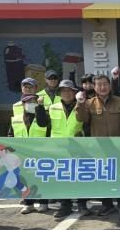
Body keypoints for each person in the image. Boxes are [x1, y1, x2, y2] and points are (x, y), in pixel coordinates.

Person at [76, 73, 120, 216]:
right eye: (99, 85)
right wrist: (80, 103)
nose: (102, 87)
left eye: (105, 84)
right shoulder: (89, 103)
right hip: (99, 147)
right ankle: (107, 204)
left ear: (109, 85)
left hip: (118, 145)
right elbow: (82, 118)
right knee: (104, 176)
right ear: (94, 87)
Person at [36, 80, 90, 219]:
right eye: (63, 91)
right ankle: (65, 205)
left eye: (69, 90)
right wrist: (39, 107)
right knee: (61, 178)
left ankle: (82, 204)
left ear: (74, 92)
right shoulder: (53, 107)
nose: (66, 93)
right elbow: (42, 123)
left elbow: (87, 123)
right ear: (59, 93)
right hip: (58, 148)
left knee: (79, 177)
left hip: (78, 146)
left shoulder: (81, 104)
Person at [9, 78, 49, 214]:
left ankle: (43, 202)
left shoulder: (42, 107)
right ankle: (28, 203)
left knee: (41, 177)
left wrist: (39, 107)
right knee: (25, 177)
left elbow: (46, 126)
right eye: (25, 87)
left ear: (36, 89)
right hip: (22, 151)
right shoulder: (16, 109)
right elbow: (12, 129)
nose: (27, 89)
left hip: (40, 150)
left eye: (30, 87)